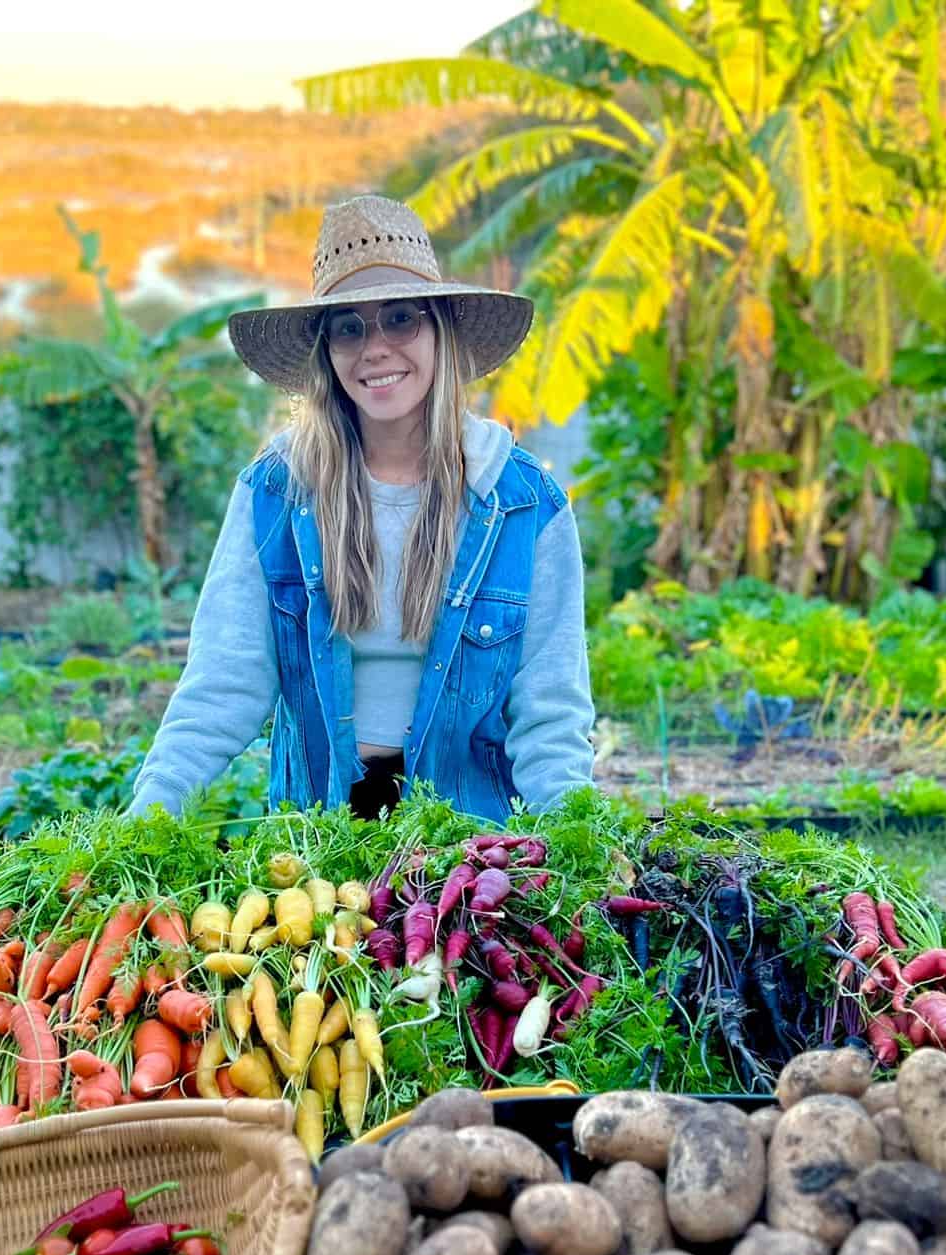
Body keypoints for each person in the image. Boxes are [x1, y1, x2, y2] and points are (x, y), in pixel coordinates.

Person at [127, 194, 595, 821]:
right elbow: (222, 685)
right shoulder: (277, 493)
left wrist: (575, 842)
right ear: (327, 352)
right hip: (317, 841)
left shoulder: (523, 504)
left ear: (440, 332)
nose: (374, 348)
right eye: (348, 326)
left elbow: (550, 713)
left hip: (472, 854)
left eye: (400, 319)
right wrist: (146, 819)